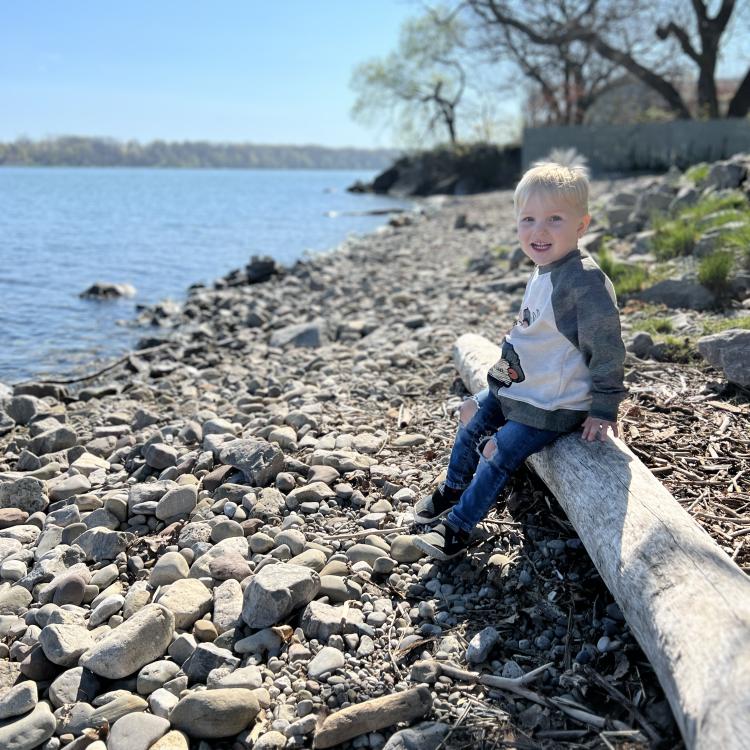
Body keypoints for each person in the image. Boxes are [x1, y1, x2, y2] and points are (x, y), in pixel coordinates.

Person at [413, 161, 628, 561]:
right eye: (528, 219)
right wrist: (497, 380)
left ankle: (457, 528)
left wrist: (603, 407)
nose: (538, 231)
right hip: (524, 387)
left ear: (582, 225)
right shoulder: (544, 268)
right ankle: (452, 488)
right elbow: (532, 335)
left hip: (553, 403)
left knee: (498, 449)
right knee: (470, 414)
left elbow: (608, 349)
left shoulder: (583, 283)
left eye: (554, 220)